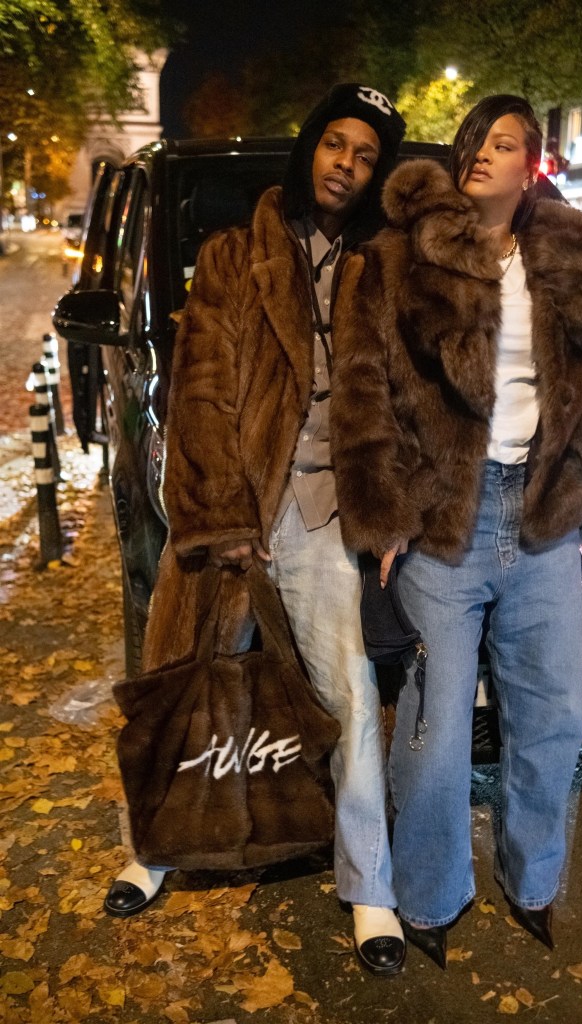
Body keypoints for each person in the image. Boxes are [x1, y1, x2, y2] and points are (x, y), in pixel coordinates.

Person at [103, 83, 408, 978]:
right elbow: (197, 393)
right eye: (334, 145)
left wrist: (388, 510)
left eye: (363, 154)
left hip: (326, 515)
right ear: (308, 148)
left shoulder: (379, 266)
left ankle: (370, 888)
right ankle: (152, 848)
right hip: (236, 511)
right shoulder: (234, 256)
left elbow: (401, 401)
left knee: (348, 695)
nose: (345, 165)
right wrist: (225, 519)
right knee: (181, 682)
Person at [330, 95, 582, 968]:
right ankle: (427, 896)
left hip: (540, 524)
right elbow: (362, 394)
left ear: (532, 163)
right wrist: (384, 517)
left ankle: (533, 882)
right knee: (432, 735)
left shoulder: (571, 254)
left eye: (504, 144)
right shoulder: (399, 258)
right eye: (474, 141)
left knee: (551, 721)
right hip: (444, 525)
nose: (482, 155)